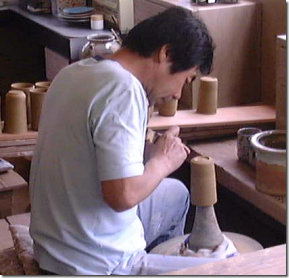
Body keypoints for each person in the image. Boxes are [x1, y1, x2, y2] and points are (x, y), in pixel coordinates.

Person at [28, 6, 230, 275]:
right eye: (186, 79)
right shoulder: (123, 88)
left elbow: (94, 155)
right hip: (94, 264)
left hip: (54, 247)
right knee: (232, 265)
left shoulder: (75, 73)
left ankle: (157, 257)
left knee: (177, 194)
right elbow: (122, 196)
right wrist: (163, 161)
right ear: (165, 53)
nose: (178, 94)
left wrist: (151, 151)